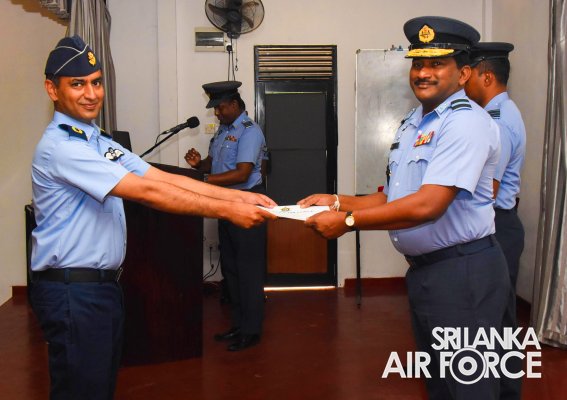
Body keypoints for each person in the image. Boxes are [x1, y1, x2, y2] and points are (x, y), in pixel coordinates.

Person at [30, 36, 276, 400]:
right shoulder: (63, 147)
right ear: (53, 89)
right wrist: (229, 209)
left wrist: (238, 197)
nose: (91, 94)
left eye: (96, 82)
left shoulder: (96, 140)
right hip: (73, 291)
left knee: (99, 388)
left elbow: (159, 177)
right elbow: (147, 192)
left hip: (99, 288)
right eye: (78, 84)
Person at [298, 17, 511, 400]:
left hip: (463, 272)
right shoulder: (414, 123)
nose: (423, 73)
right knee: (441, 384)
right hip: (429, 272)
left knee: (470, 387)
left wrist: (348, 220)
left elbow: (429, 204)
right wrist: (336, 200)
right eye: (418, 63)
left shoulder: (466, 123)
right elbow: (394, 196)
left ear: (463, 73)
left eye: (436, 64)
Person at [184, 81, 268, 352]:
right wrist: (199, 165)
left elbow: (242, 173)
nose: (217, 113)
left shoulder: (249, 131)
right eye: (215, 109)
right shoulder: (223, 131)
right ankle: (239, 324)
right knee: (231, 270)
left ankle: (251, 331)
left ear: (234, 104)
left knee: (249, 270)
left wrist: (203, 181)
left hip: (247, 203)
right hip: (226, 205)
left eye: (220, 108)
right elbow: (214, 164)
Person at [465, 42, 526, 400]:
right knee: (496, 318)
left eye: (470, 74)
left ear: (486, 76)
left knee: (494, 319)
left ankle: (504, 392)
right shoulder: (500, 113)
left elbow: (488, 188)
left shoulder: (497, 122)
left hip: (497, 227)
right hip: (501, 223)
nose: (464, 80)